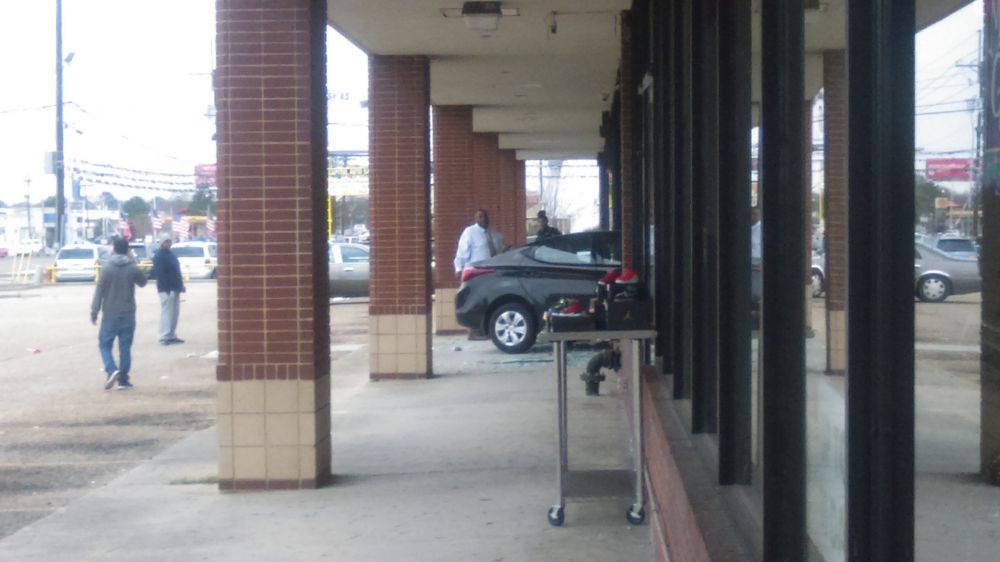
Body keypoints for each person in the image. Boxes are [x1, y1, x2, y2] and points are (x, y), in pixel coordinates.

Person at [90, 236, 147, 390]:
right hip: (128, 312)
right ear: (127, 249)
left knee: (104, 344)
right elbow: (143, 282)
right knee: (125, 347)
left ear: (114, 249)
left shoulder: (107, 268)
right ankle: (123, 379)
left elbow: (99, 292)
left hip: (110, 312)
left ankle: (111, 369)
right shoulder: (132, 267)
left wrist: (94, 311)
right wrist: (133, 261)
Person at [150, 232, 186, 345]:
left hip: (175, 288)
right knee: (167, 312)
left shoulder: (171, 254)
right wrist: (166, 289)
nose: (169, 243)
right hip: (166, 289)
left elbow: (176, 271)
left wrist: (181, 286)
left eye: (169, 241)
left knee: (174, 313)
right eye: (166, 241)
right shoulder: (159, 256)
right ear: (161, 243)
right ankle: (164, 336)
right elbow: (160, 274)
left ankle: (171, 335)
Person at [453, 209, 504, 276]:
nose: (484, 219)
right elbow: (462, 252)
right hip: (475, 272)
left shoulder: (495, 234)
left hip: (492, 272)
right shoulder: (470, 232)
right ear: (476, 219)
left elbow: (499, 253)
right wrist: (459, 268)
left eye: (485, 216)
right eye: (480, 217)